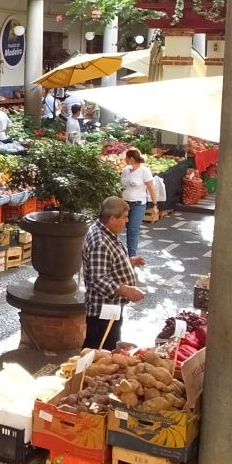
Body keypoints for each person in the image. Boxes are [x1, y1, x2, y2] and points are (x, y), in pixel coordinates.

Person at [82, 196, 146, 351]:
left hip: (111, 308)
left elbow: (106, 264)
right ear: (112, 218)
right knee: (99, 352)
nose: (127, 221)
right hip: (102, 312)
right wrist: (127, 290)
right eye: (124, 217)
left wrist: (129, 261)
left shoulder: (105, 232)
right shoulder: (100, 242)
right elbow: (98, 279)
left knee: (104, 350)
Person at [121, 148, 159, 257]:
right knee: (119, 228)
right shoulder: (126, 170)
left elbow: (151, 189)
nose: (125, 160)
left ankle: (132, 255)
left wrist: (155, 205)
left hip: (138, 204)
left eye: (126, 158)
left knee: (133, 229)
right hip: (124, 203)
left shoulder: (144, 171)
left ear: (131, 158)